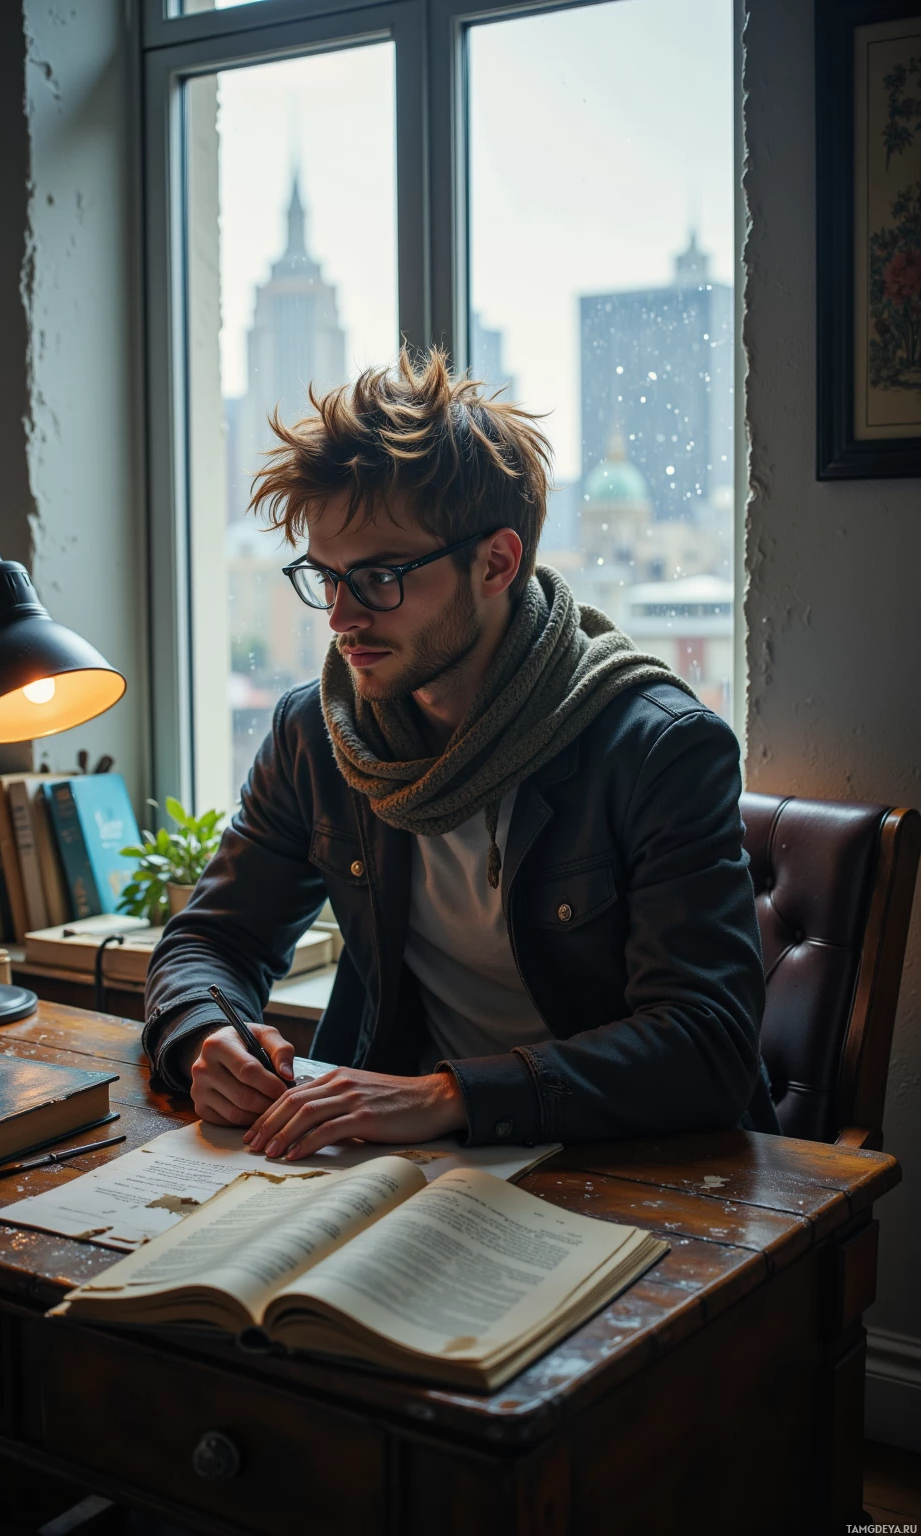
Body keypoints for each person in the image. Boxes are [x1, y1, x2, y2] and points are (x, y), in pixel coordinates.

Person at [143, 348, 779, 1161]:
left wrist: (448, 1095)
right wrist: (204, 1035)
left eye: (377, 578)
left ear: (496, 562)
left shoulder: (657, 748)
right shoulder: (320, 734)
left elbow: (707, 1044)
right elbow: (211, 943)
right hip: (397, 1163)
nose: (340, 618)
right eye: (325, 577)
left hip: (628, 1167)